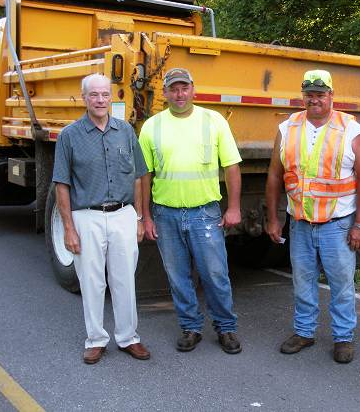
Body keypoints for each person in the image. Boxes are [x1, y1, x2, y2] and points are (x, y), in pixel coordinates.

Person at [266, 69, 360, 364]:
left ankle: (343, 338)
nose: (314, 100)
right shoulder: (287, 128)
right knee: (302, 282)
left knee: (341, 285)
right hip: (299, 223)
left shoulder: (352, 130)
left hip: (338, 226)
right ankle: (304, 332)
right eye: (309, 94)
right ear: (303, 96)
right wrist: (273, 218)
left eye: (320, 94)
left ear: (331, 96)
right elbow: (275, 175)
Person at [139, 68, 242, 355]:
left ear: (193, 89)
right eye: (173, 89)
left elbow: (231, 166)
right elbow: (144, 175)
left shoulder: (214, 121)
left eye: (184, 88)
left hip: (204, 213)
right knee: (178, 276)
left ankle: (226, 328)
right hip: (166, 214)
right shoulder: (151, 126)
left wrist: (234, 207)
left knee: (215, 274)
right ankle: (190, 327)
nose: (179, 94)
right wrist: (145, 216)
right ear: (165, 93)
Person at [53, 73, 150, 364]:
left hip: (123, 214)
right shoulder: (69, 136)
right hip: (87, 217)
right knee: (92, 282)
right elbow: (62, 184)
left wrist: (140, 218)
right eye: (93, 95)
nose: (99, 100)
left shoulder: (126, 131)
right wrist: (69, 228)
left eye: (105, 94)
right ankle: (95, 339)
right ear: (83, 98)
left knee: (124, 280)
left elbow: (138, 177)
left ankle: (129, 337)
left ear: (111, 97)